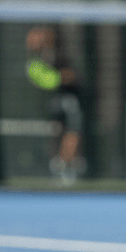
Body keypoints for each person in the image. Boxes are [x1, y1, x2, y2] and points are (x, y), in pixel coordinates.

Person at [25, 25, 84, 185]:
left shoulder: (52, 54)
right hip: (65, 99)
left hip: (61, 99)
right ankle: (62, 167)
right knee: (72, 131)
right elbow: (62, 78)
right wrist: (63, 77)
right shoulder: (45, 59)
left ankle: (64, 165)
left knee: (64, 132)